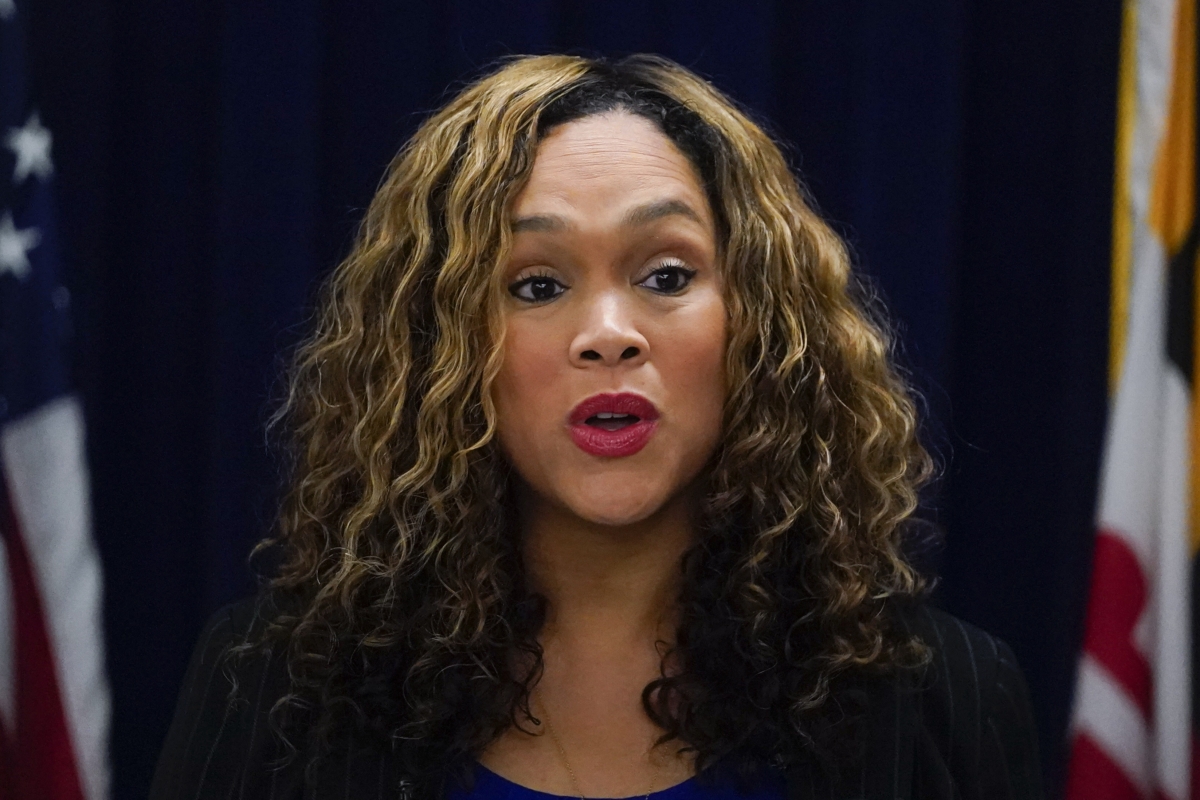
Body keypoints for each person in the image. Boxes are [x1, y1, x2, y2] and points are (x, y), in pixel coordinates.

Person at [149, 54, 1043, 800]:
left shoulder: (946, 698)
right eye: (536, 285)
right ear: (442, 348)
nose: (608, 333)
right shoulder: (267, 686)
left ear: (761, 323)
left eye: (665, 275)